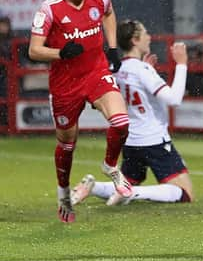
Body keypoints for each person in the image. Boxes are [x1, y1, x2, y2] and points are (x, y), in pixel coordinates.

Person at [28, 0, 132, 223]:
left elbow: (109, 13)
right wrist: (61, 53)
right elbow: (34, 50)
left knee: (121, 123)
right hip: (65, 85)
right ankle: (63, 192)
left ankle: (111, 166)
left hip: (96, 74)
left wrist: (111, 48)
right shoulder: (49, 9)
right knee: (67, 143)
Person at [70, 20, 193, 206]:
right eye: (145, 34)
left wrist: (147, 69)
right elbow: (174, 99)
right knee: (184, 193)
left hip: (129, 141)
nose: (149, 37)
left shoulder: (115, 69)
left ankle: (93, 187)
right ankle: (131, 193)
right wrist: (182, 64)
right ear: (135, 40)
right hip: (153, 139)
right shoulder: (141, 69)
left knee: (129, 179)